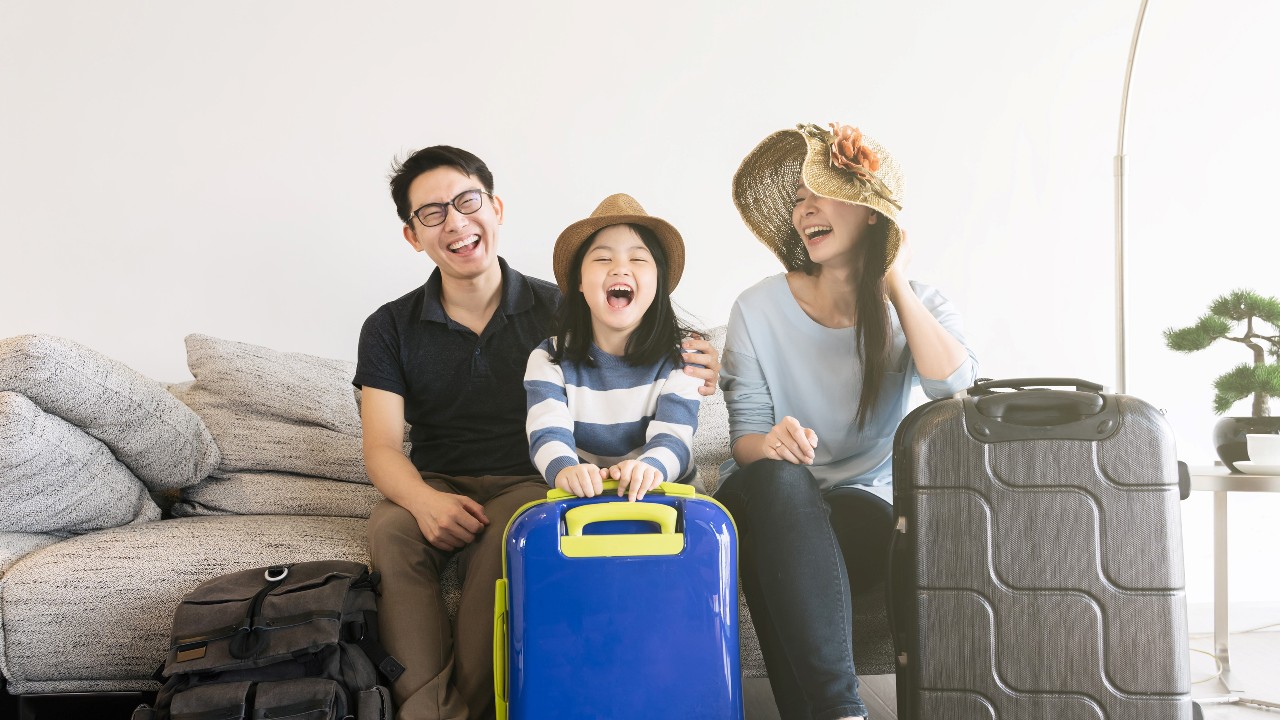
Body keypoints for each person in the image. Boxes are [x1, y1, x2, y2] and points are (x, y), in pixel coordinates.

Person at [353, 147, 721, 720]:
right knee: (390, 531)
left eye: (467, 201)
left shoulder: (561, 310)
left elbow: (643, 331)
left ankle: (455, 712)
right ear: (412, 235)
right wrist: (425, 501)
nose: (454, 221)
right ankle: (431, 712)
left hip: (531, 476)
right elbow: (379, 448)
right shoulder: (388, 327)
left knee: (516, 536)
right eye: (432, 213)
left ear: (495, 208)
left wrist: (700, 361)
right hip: (435, 477)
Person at [717, 123, 978, 720]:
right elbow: (745, 438)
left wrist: (894, 282)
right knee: (784, 485)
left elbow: (956, 389)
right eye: (798, 200)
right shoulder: (756, 308)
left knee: (770, 552)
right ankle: (843, 711)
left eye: (821, 192)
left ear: (868, 212)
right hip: (766, 493)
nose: (804, 208)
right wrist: (774, 443)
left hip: (861, 513)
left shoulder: (919, 304)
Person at [525, 194, 702, 502]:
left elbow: (674, 437)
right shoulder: (548, 358)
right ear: (580, 281)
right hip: (580, 500)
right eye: (603, 258)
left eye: (638, 258)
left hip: (667, 498)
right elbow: (546, 431)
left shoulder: (684, 359)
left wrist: (648, 468)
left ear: (658, 280)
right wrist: (565, 470)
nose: (620, 269)